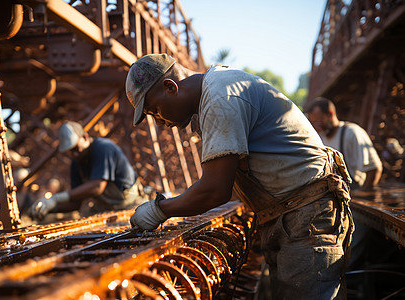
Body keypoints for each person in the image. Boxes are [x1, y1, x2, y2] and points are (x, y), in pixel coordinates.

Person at [125, 53, 354, 299]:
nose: (159, 122)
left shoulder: (220, 97)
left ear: (170, 87)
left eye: (155, 110)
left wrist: (160, 210)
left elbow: (215, 189)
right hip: (292, 213)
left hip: (307, 214)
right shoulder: (213, 94)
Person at [29, 121, 148, 220]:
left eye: (76, 148)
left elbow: (97, 187)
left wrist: (56, 198)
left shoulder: (103, 148)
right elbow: (76, 203)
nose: (74, 154)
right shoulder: (77, 162)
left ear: (85, 137)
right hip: (106, 208)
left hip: (130, 204)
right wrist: (49, 207)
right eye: (70, 151)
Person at [305, 97, 383, 190]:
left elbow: (374, 169)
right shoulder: (320, 138)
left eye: (319, 122)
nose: (317, 127)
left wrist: (361, 195)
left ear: (331, 114)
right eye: (314, 123)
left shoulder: (352, 133)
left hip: (354, 192)